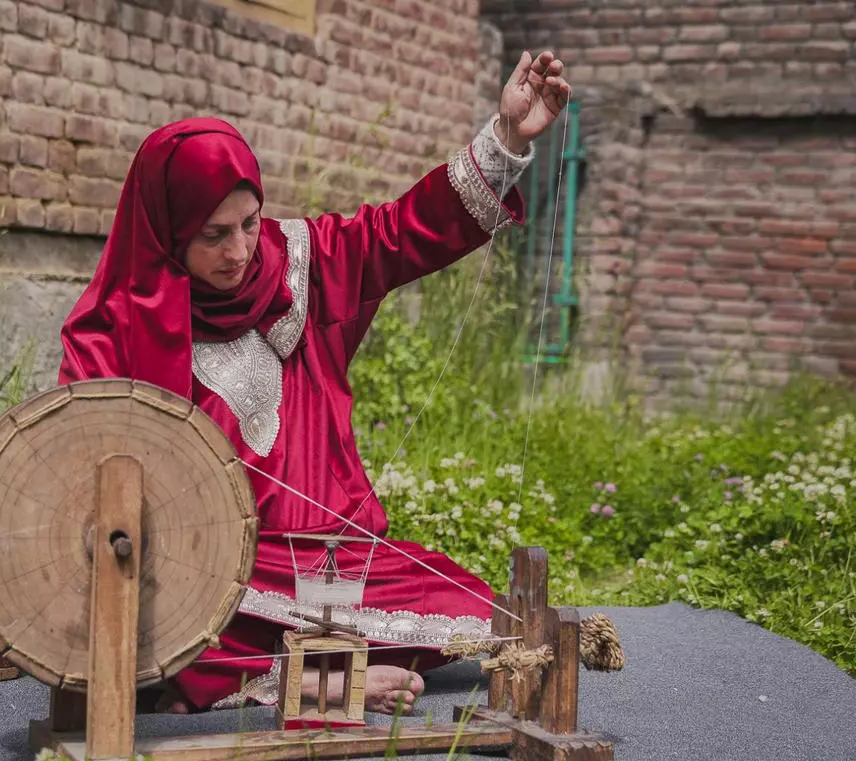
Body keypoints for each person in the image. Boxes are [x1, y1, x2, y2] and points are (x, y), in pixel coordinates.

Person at [57, 51, 572, 715]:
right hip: (202, 576)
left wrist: (503, 140)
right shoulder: (111, 327)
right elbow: (79, 487)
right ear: (166, 229)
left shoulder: (303, 261)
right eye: (213, 235)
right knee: (136, 623)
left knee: (463, 606)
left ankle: (289, 665)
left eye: (247, 223)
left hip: (328, 561)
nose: (239, 251)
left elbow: (400, 233)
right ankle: (298, 675)